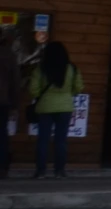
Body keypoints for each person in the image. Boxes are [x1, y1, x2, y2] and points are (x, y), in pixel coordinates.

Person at [24, 41, 79, 179]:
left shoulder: (41, 69)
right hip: (65, 107)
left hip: (45, 107)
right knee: (61, 140)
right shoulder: (71, 68)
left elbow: (33, 89)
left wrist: (41, 97)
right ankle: (59, 171)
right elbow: (78, 87)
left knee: (43, 140)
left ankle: (41, 171)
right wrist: (67, 95)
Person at [0, 41, 18, 178]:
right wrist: (14, 104)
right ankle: (2, 167)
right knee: (2, 134)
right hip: (3, 100)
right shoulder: (8, 55)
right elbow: (15, 81)